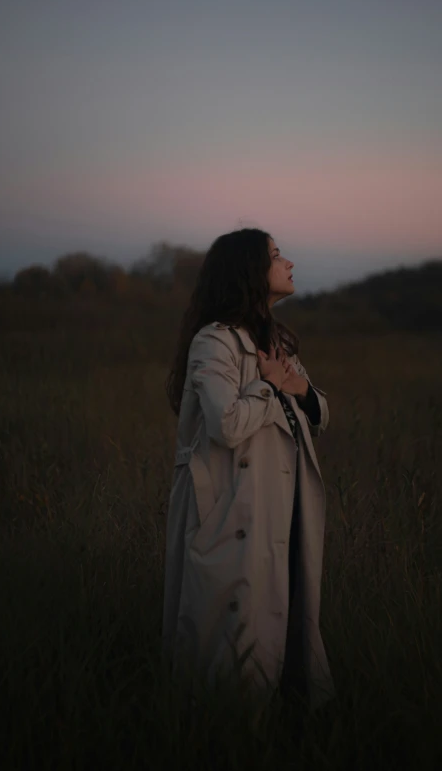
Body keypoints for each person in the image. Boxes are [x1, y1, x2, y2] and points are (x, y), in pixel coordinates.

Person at [162, 228, 335, 708]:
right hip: (232, 512)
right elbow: (227, 423)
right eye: (277, 256)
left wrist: (293, 387)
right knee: (232, 644)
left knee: (283, 622)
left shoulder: (275, 338)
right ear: (250, 272)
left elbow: (318, 408)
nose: (290, 263)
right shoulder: (213, 342)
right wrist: (270, 387)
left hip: (281, 505)